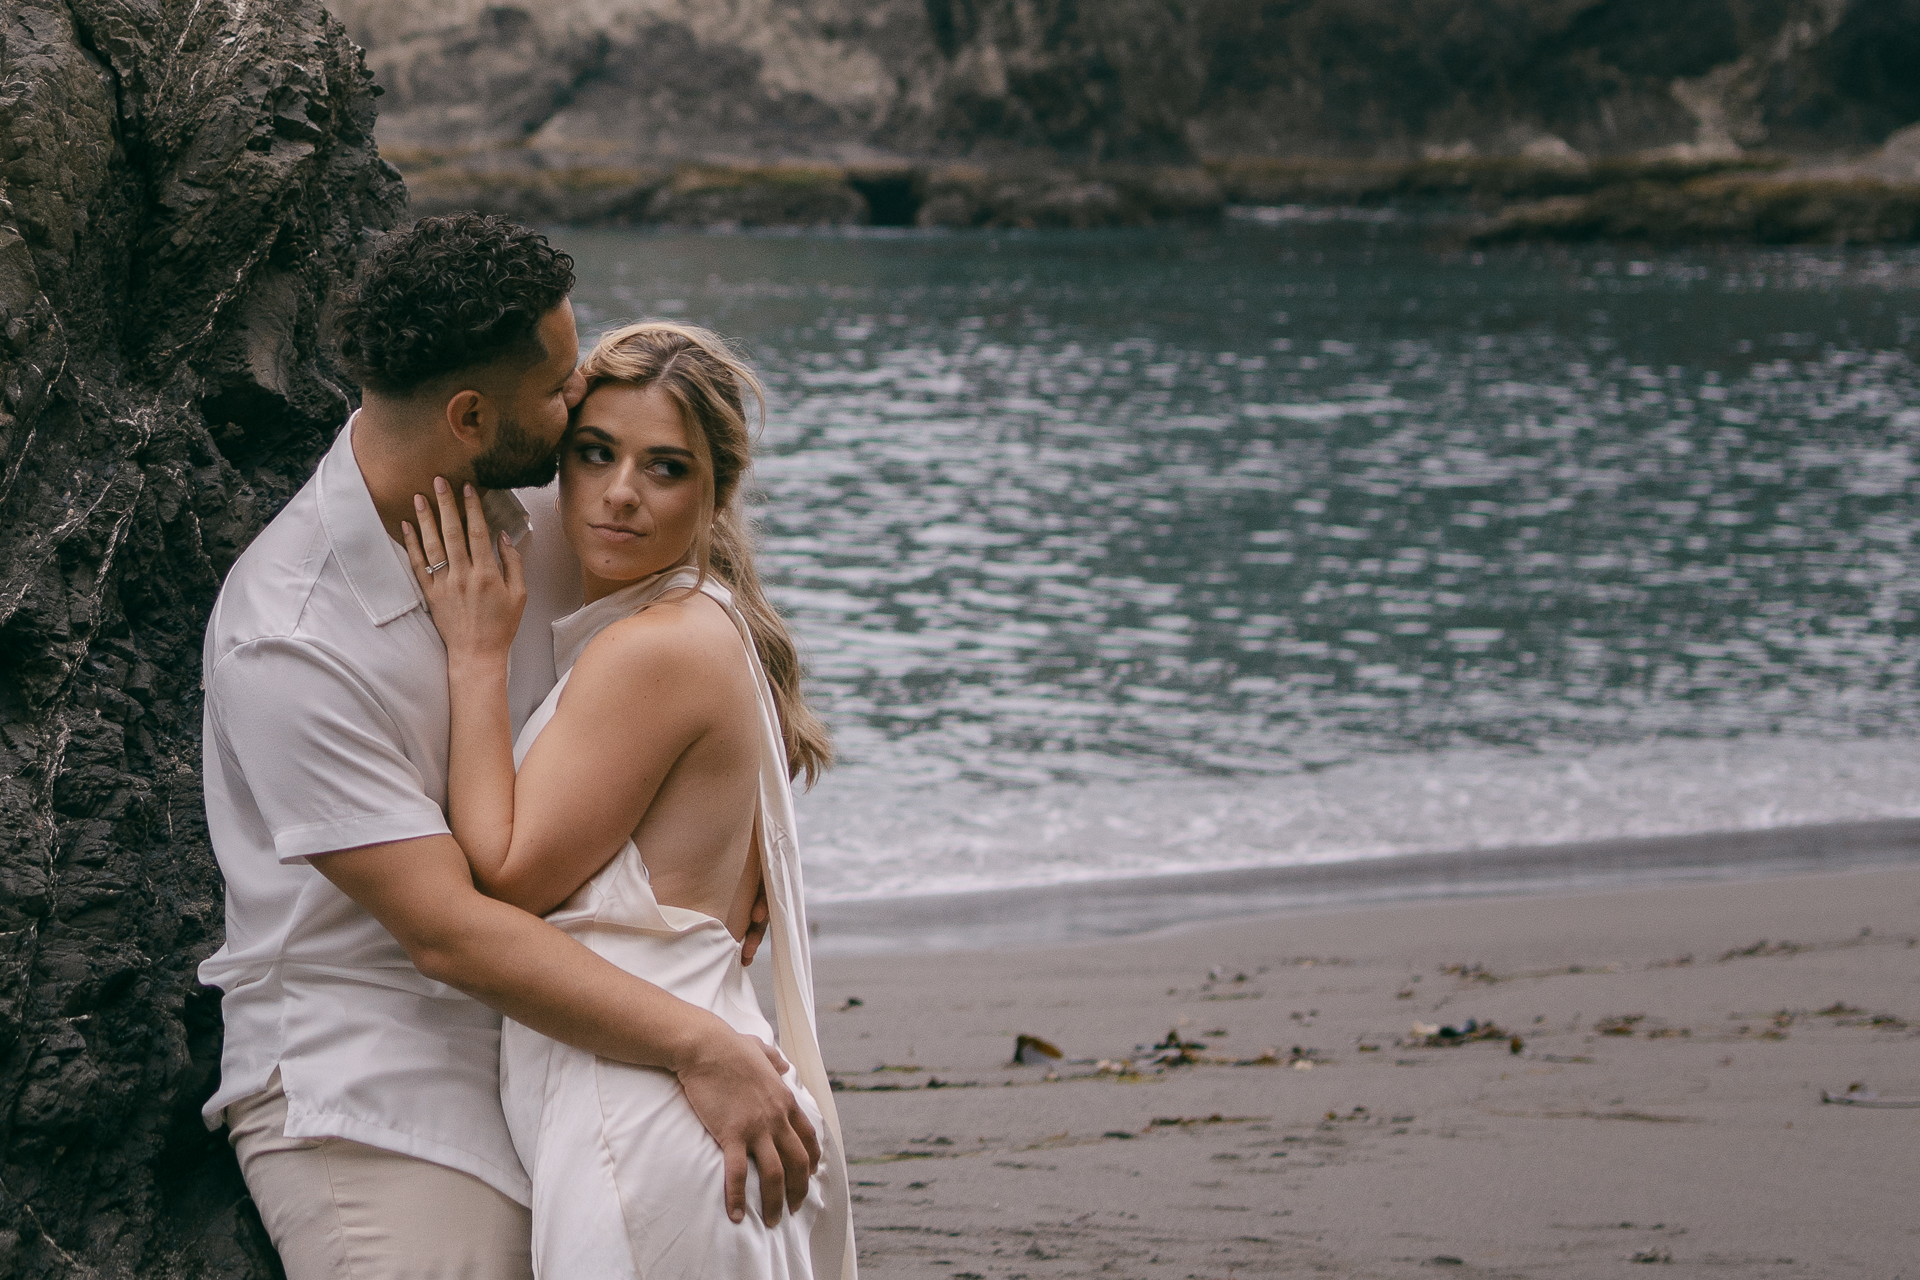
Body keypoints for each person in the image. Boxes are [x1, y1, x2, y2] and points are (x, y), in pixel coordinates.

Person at [197, 216, 819, 1280]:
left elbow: (691, 606)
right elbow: (449, 933)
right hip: (377, 1081)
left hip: (568, 1042)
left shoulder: (559, 502)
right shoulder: (288, 636)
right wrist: (699, 1043)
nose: (581, 399)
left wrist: (734, 823)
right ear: (472, 416)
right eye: (561, 385)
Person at [402, 320, 855, 1279]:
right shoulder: (704, 625)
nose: (619, 492)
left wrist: (476, 656)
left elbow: (507, 878)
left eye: (665, 468)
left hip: (651, 1113)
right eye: (595, 453)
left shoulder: (653, 649)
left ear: (715, 493)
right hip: (685, 1089)